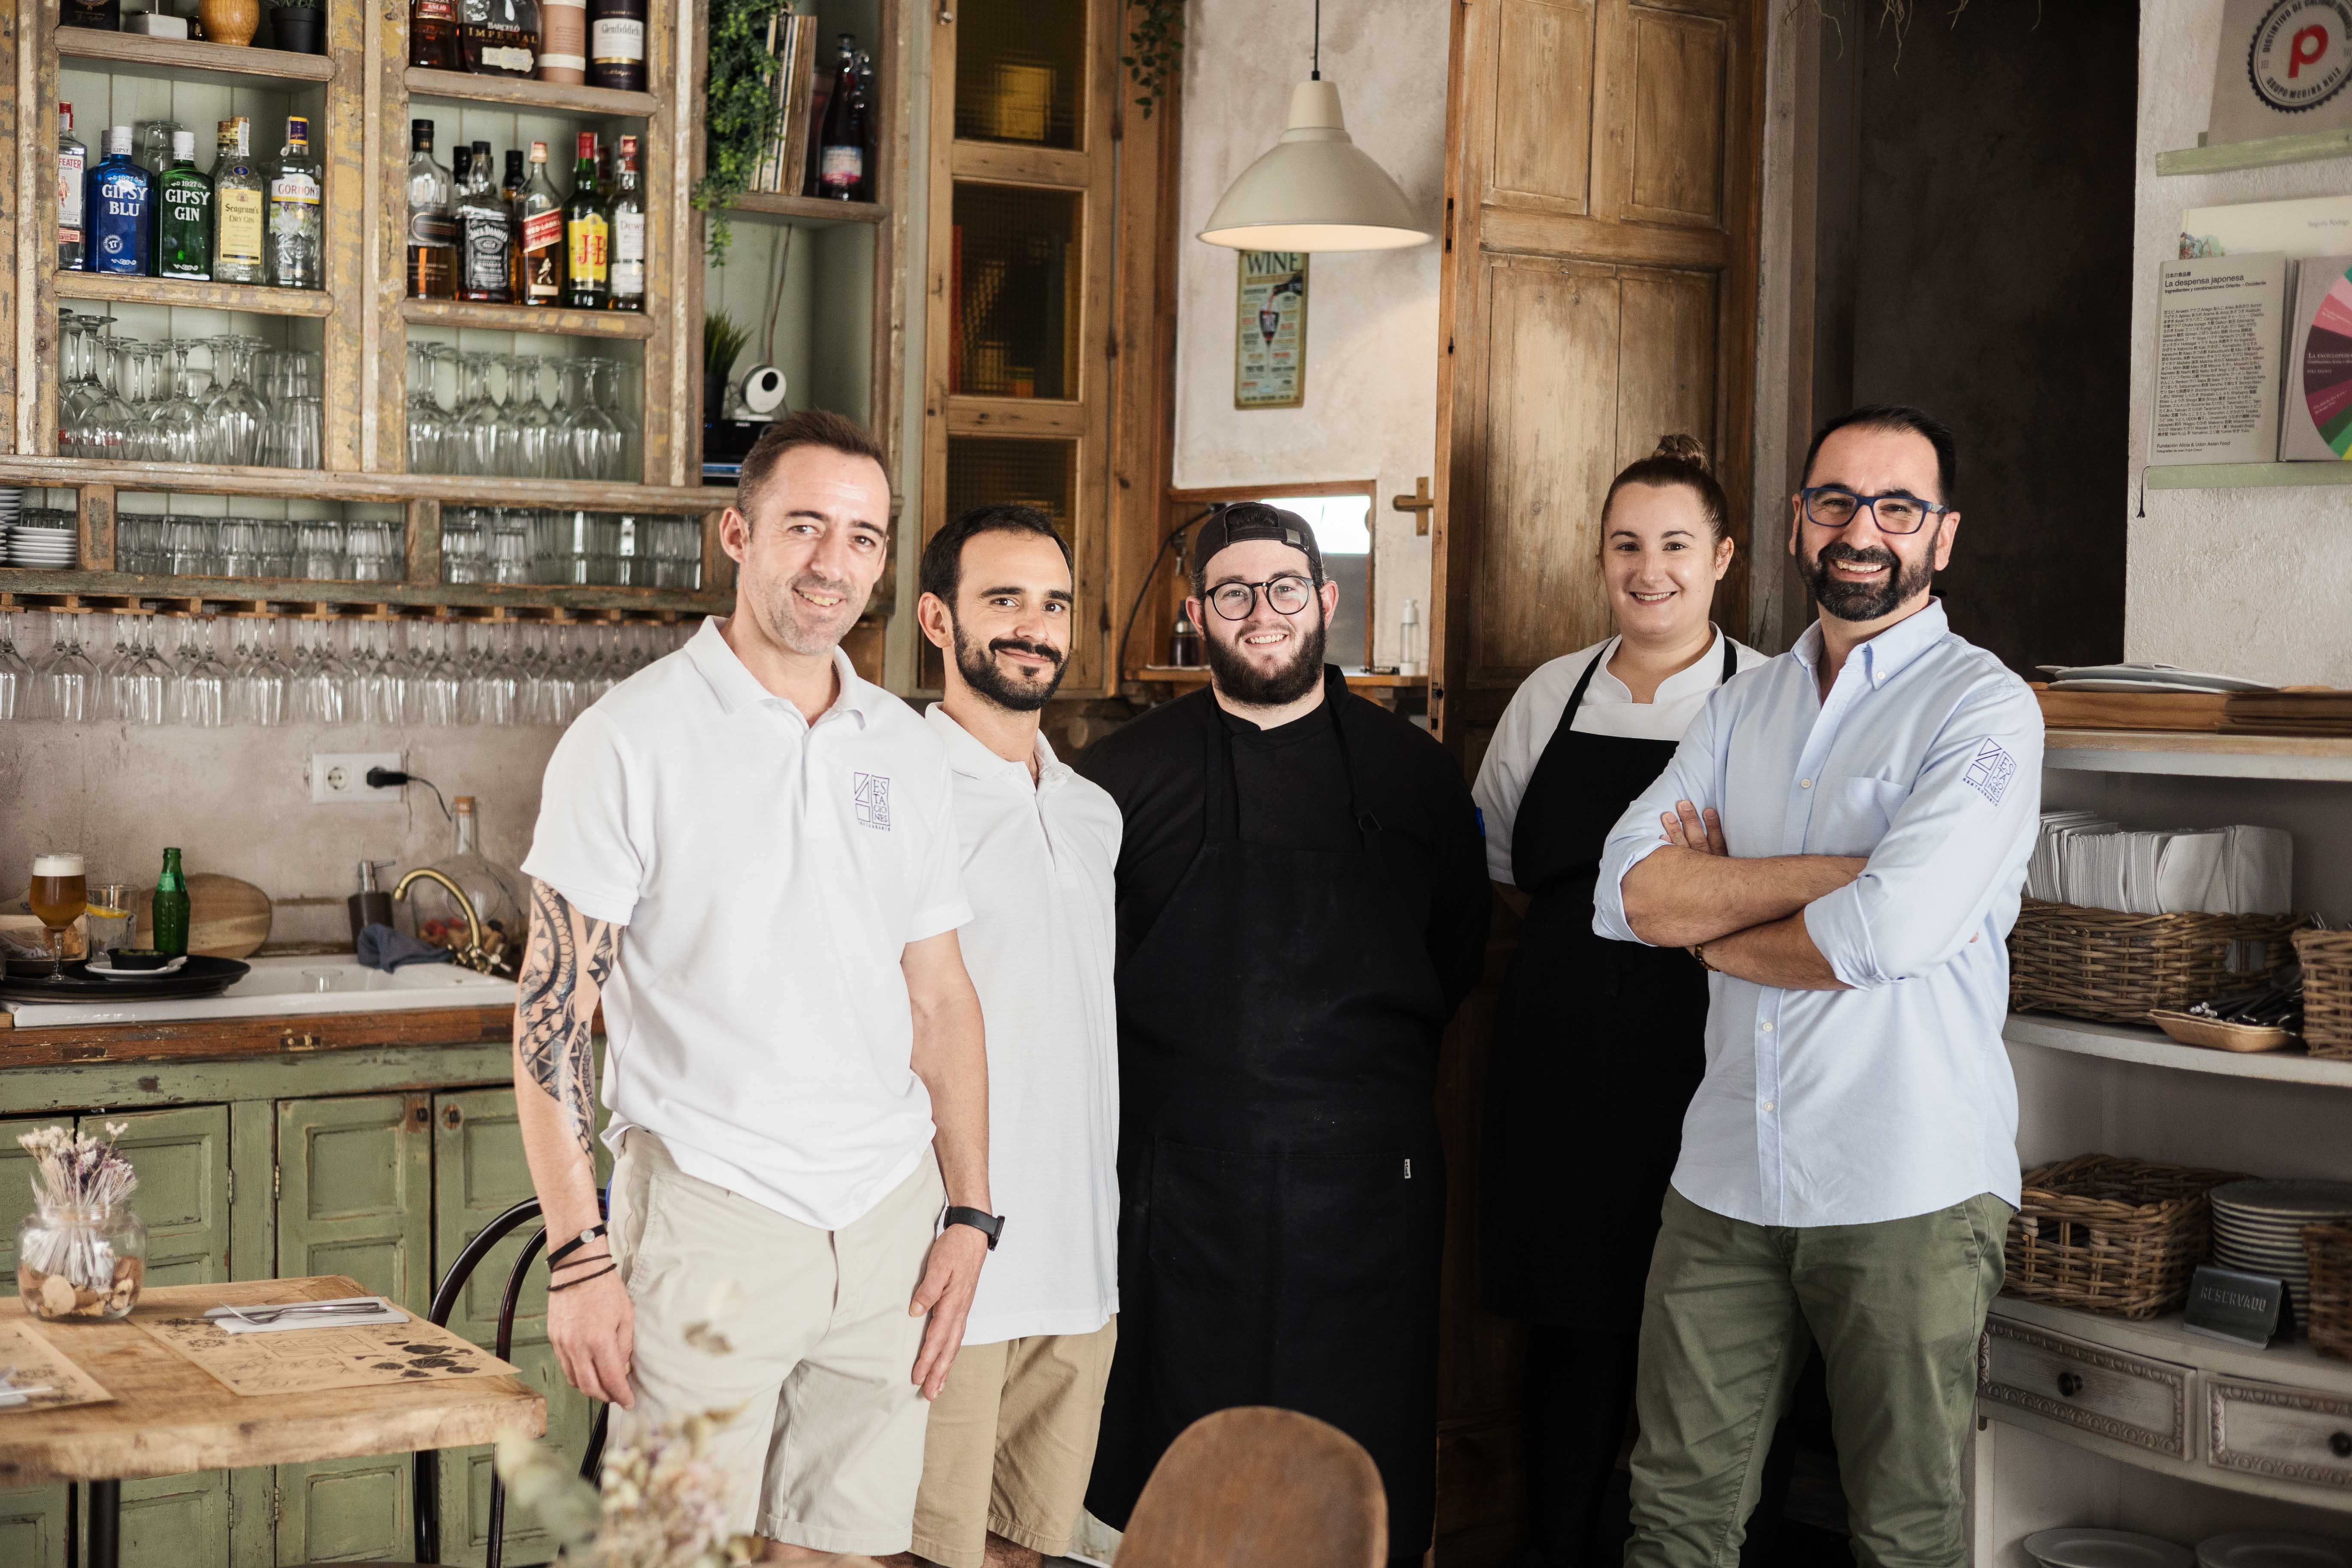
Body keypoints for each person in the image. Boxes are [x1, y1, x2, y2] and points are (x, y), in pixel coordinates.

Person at [514, 409, 1000, 1563]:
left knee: (843, 1551)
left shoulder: (907, 747)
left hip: (886, 1221)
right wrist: (580, 1255)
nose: (833, 563)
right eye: (805, 527)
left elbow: (940, 999)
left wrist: (972, 1213)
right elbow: (549, 1019)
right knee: (672, 1551)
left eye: (864, 537)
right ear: (739, 533)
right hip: (709, 1216)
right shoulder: (630, 739)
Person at [1594, 405, 2041, 1568]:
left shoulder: (1984, 708)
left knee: (1902, 1532)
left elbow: (1886, 930)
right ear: (1798, 524)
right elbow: (1631, 897)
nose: (1863, 529)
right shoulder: (1742, 704)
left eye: (1899, 508)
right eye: (1837, 501)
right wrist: (1833, 878)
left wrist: (1721, 911)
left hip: (1909, 1183)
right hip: (1728, 1176)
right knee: (1674, 1517)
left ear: (1942, 538)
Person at [1076, 502, 1491, 1566]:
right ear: (1194, 615)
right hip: (1181, 1187)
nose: (1261, 615)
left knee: (1360, 1471)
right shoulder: (1122, 780)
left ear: (1326, 602)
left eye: (1284, 591)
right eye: (1233, 593)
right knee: (1179, 1474)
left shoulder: (1415, 775)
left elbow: (1457, 955)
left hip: (1370, 1185)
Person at [1469, 435, 1766, 1568]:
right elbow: (1501, 860)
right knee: (1567, 1345)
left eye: (1677, 545)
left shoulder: (1766, 696)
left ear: (1723, 556)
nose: (1651, 570)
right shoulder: (1555, 690)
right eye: (1627, 546)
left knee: (1703, 1340)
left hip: (1701, 1072)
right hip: (1552, 1067)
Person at [893, 505, 1121, 1568]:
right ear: (938, 620)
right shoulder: (898, 794)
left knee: (1027, 1549)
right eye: (1004, 602)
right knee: (918, 1550)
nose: (1035, 627)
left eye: (1054, 603)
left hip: (1079, 1260)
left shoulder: (1091, 810)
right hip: (946, 1259)